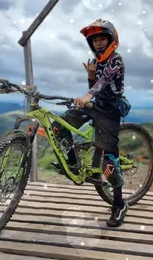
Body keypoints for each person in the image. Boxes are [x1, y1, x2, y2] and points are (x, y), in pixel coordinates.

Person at [51, 19, 131, 227]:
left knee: (109, 163)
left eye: (102, 38)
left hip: (111, 111)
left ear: (111, 39)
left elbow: (104, 82)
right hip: (95, 105)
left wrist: (88, 93)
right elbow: (97, 84)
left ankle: (119, 204)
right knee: (59, 125)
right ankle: (73, 164)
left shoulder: (116, 60)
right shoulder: (97, 61)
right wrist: (90, 78)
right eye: (95, 40)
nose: (98, 43)